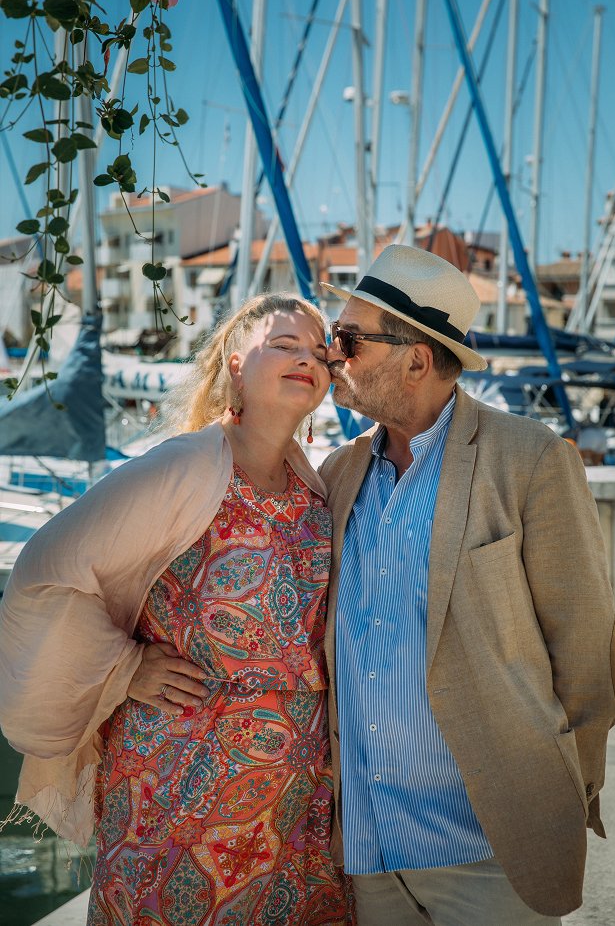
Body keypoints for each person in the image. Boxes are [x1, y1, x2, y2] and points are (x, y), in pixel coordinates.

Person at [0, 294, 354, 926]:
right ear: (236, 364)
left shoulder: (315, 485)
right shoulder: (183, 465)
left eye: (319, 350)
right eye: (285, 345)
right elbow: (45, 570)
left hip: (297, 800)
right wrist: (126, 667)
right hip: (179, 788)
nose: (308, 359)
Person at [318, 244, 615, 926]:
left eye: (346, 340)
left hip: (487, 845)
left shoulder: (529, 457)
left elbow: (583, 643)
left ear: (415, 359)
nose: (331, 354)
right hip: (368, 846)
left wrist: (563, 785)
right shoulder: (338, 473)